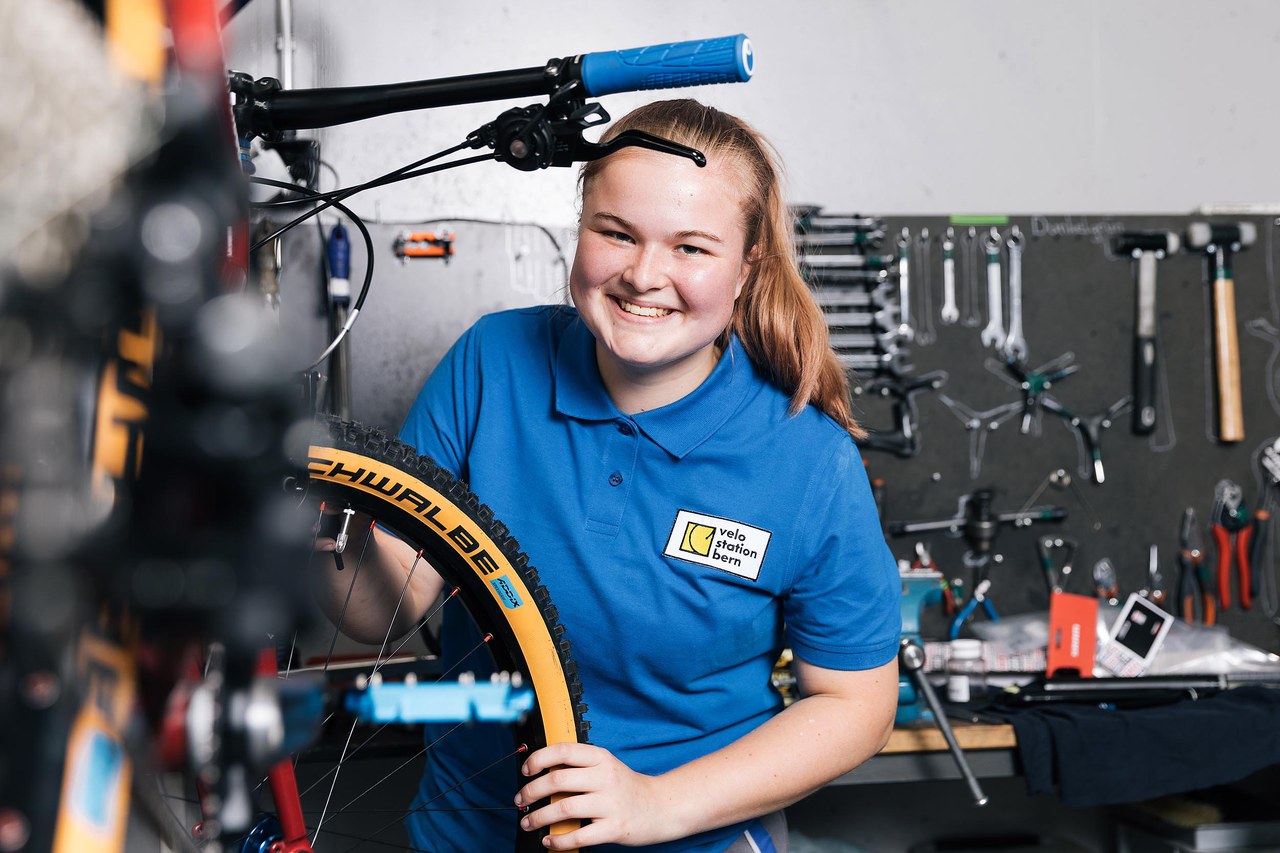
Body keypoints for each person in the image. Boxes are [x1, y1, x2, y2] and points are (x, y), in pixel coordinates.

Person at [316, 98, 901, 852]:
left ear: (747, 264)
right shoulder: (492, 364)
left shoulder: (809, 459)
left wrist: (656, 803)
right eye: (616, 233)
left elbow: (857, 703)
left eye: (691, 248)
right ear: (580, 225)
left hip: (693, 840)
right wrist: (327, 528)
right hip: (470, 836)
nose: (644, 275)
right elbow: (384, 613)